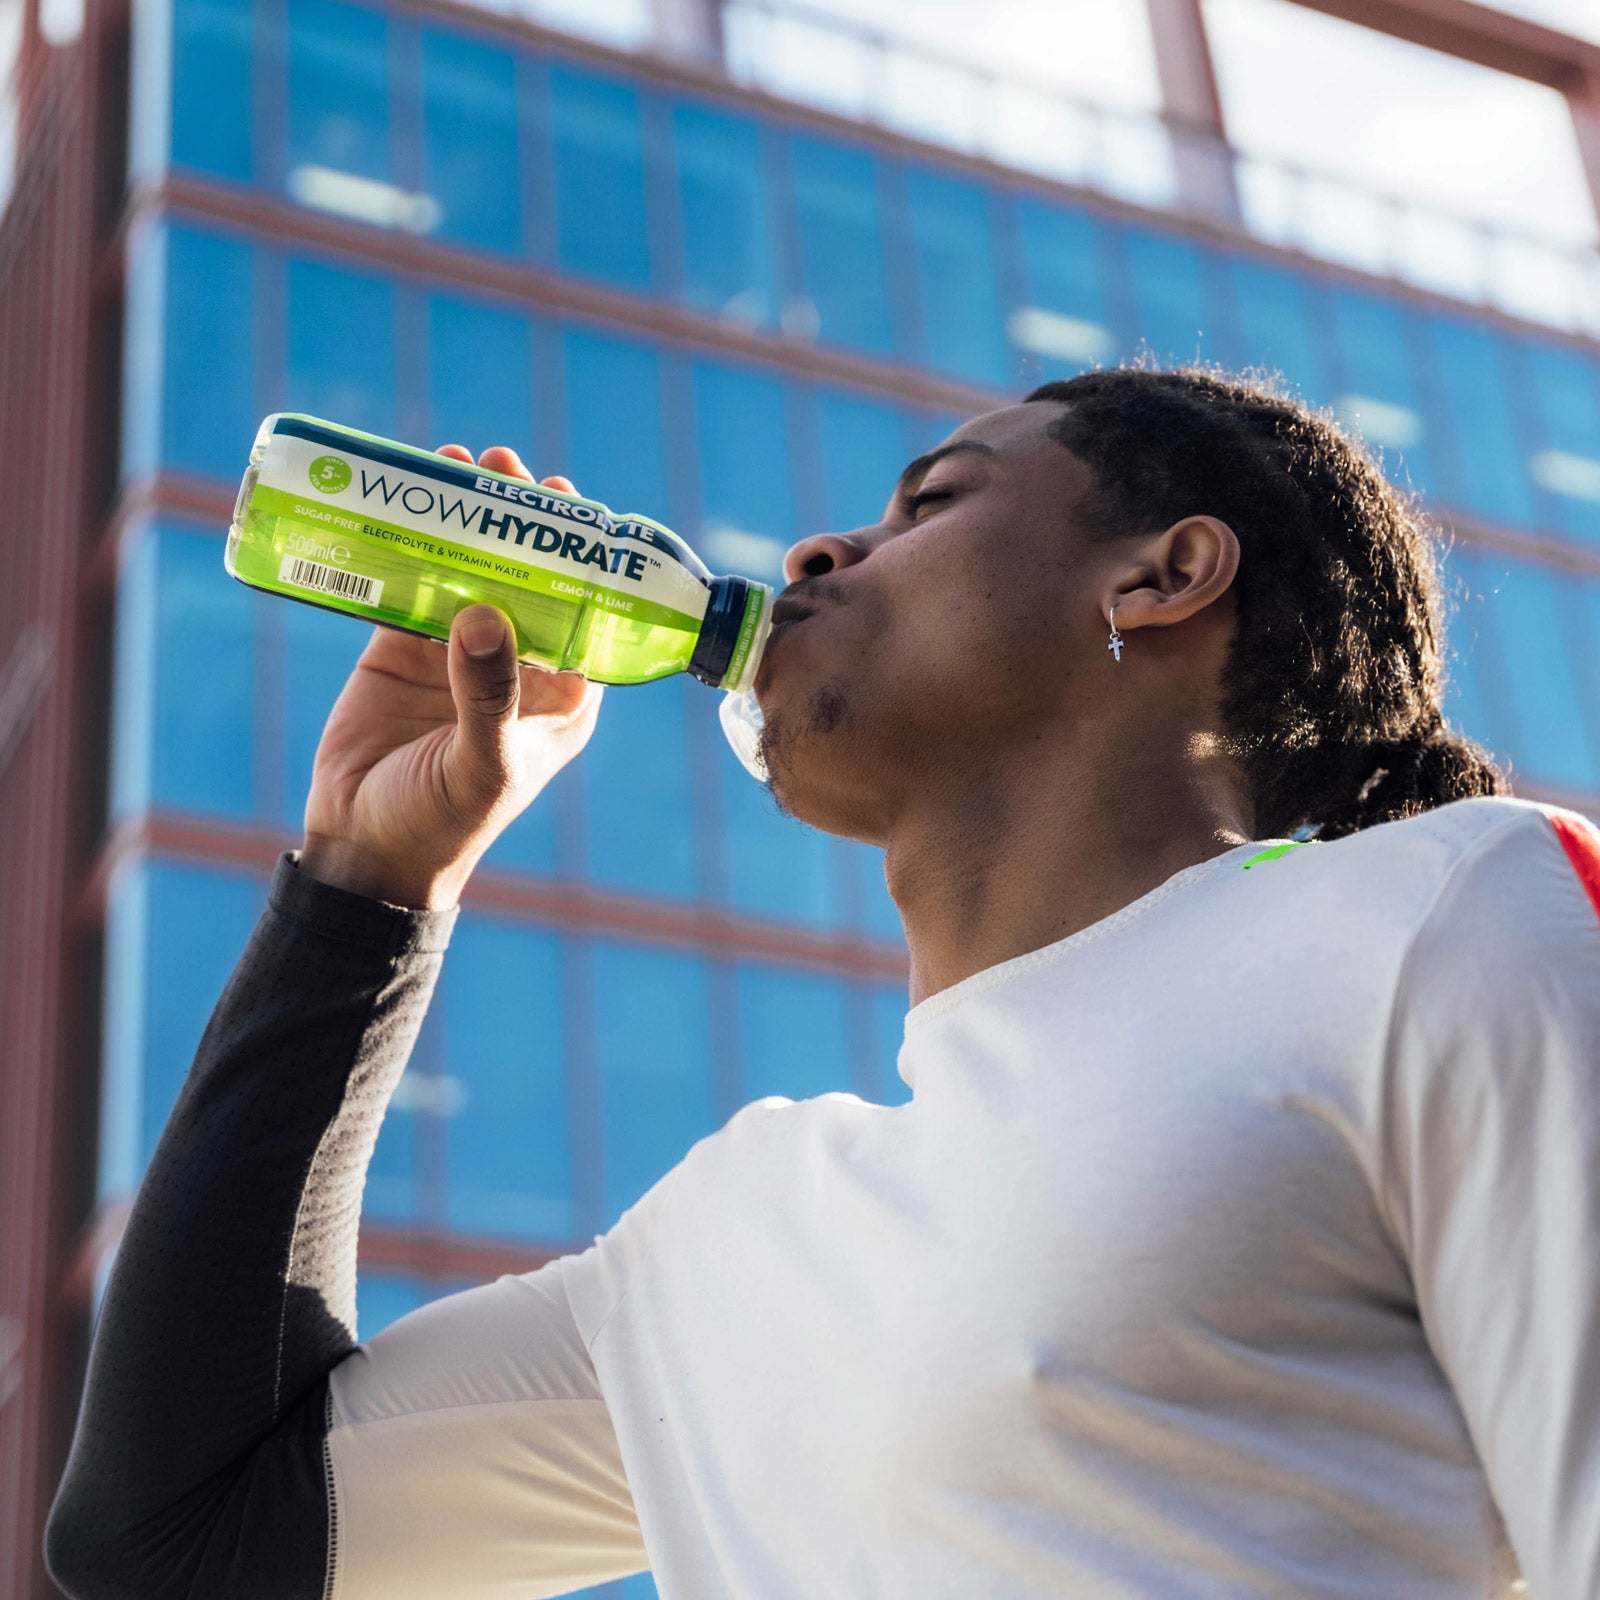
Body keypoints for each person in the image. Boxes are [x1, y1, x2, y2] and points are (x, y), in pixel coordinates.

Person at [44, 367, 1600, 1600]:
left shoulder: (1444, 904)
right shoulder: (727, 1245)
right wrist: (364, 881)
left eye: (933, 502)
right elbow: (174, 1545)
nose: (816, 552)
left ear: (1162, 577)